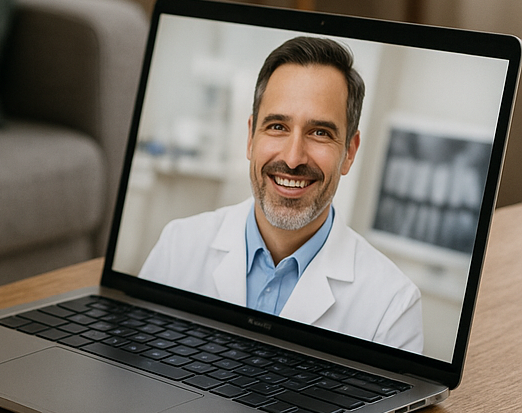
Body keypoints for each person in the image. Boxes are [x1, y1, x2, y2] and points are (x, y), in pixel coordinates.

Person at [139, 36, 424, 351]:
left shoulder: (393, 307)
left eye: (320, 133)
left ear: (349, 152)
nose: (292, 158)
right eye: (277, 127)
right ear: (250, 137)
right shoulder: (177, 247)